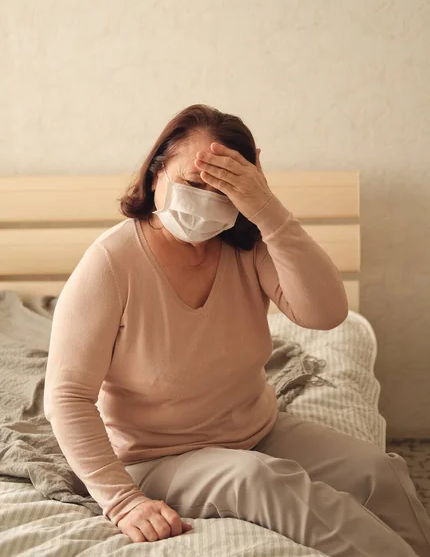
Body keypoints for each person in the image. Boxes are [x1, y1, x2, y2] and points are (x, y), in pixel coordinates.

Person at [44, 104, 430, 556]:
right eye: (192, 183)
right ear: (155, 174)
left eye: (223, 189)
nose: (206, 201)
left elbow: (325, 314)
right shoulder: (111, 263)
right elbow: (66, 396)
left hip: (256, 428)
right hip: (157, 457)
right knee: (263, 480)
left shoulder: (246, 247)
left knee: (376, 471)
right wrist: (124, 502)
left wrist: (268, 211)